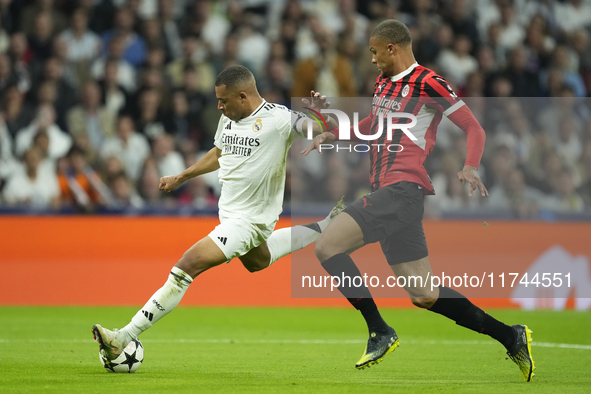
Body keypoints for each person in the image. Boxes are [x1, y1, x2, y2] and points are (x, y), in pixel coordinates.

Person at [303, 20, 535, 382]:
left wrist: (470, 165)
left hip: (402, 190)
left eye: (375, 52)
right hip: (394, 196)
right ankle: (511, 335)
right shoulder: (383, 84)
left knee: (327, 246)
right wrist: (330, 132)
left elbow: (474, 127)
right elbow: (371, 126)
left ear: (392, 48)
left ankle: (379, 330)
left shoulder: (429, 83)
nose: (373, 59)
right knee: (424, 294)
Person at [92, 65, 344, 360]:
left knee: (188, 264)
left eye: (223, 100)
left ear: (242, 95)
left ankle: (122, 337)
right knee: (258, 261)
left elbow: (313, 127)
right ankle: (326, 226)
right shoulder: (229, 118)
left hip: (250, 221)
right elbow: (219, 152)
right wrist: (182, 176)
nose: (219, 106)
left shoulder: (278, 118)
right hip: (230, 216)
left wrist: (321, 118)